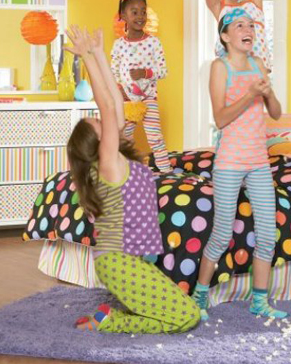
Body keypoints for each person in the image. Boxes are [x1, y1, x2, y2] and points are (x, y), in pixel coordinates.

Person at [65, 25, 199, 334]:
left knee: (183, 309)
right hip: (117, 261)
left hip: (129, 260)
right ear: (98, 145)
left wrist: (100, 54)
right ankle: (111, 321)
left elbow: (116, 104)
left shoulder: (117, 159)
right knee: (188, 317)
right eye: (99, 125)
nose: (106, 122)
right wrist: (86, 57)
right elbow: (107, 106)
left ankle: (109, 316)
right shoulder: (107, 165)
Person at [192, 8, 285, 320]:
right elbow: (220, 118)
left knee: (267, 235)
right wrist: (249, 94)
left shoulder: (258, 64)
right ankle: (199, 296)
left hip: (259, 162)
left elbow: (276, 113)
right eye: (239, 26)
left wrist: (267, 93)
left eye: (251, 26)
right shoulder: (220, 67)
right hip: (230, 162)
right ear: (225, 36)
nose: (248, 30)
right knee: (221, 234)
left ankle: (259, 302)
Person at [110, 0, 171, 173]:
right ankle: (124, 171)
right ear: (123, 16)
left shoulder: (153, 43)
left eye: (143, 12)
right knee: (122, 138)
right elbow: (113, 72)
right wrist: (120, 91)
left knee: (155, 137)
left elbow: (163, 71)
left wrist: (145, 73)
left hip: (148, 98)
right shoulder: (118, 45)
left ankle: (166, 172)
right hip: (127, 100)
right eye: (134, 12)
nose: (140, 16)